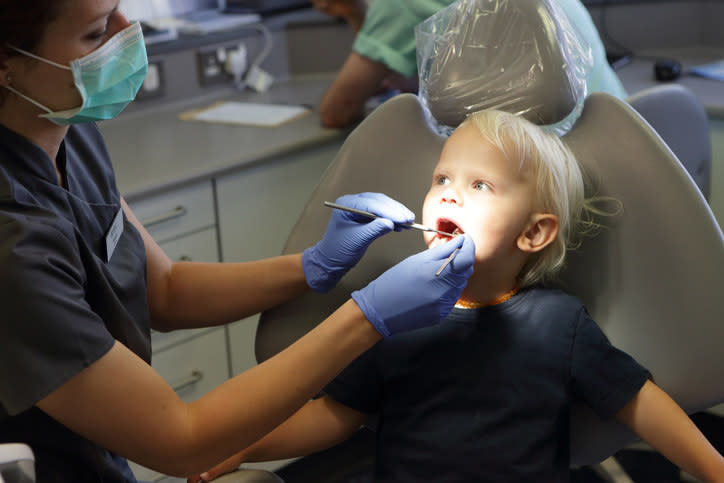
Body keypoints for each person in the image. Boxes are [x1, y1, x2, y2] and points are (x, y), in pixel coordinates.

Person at [0, 1, 477, 481]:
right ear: (7, 65)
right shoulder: (12, 247)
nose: (130, 33)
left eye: (121, 10)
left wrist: (313, 266)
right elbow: (180, 440)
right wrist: (367, 316)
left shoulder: (67, 132)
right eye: (98, 31)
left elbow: (165, 289)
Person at [189, 109, 724, 482]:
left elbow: (639, 403)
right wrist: (243, 444)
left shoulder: (559, 324)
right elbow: (336, 414)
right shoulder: (393, 316)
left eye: (479, 185)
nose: (447, 191)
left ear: (534, 234)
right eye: (442, 176)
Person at [314, 0, 627, 128]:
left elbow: (337, 110)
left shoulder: (396, 4)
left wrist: (349, 8)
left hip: (553, 164)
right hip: (622, 130)